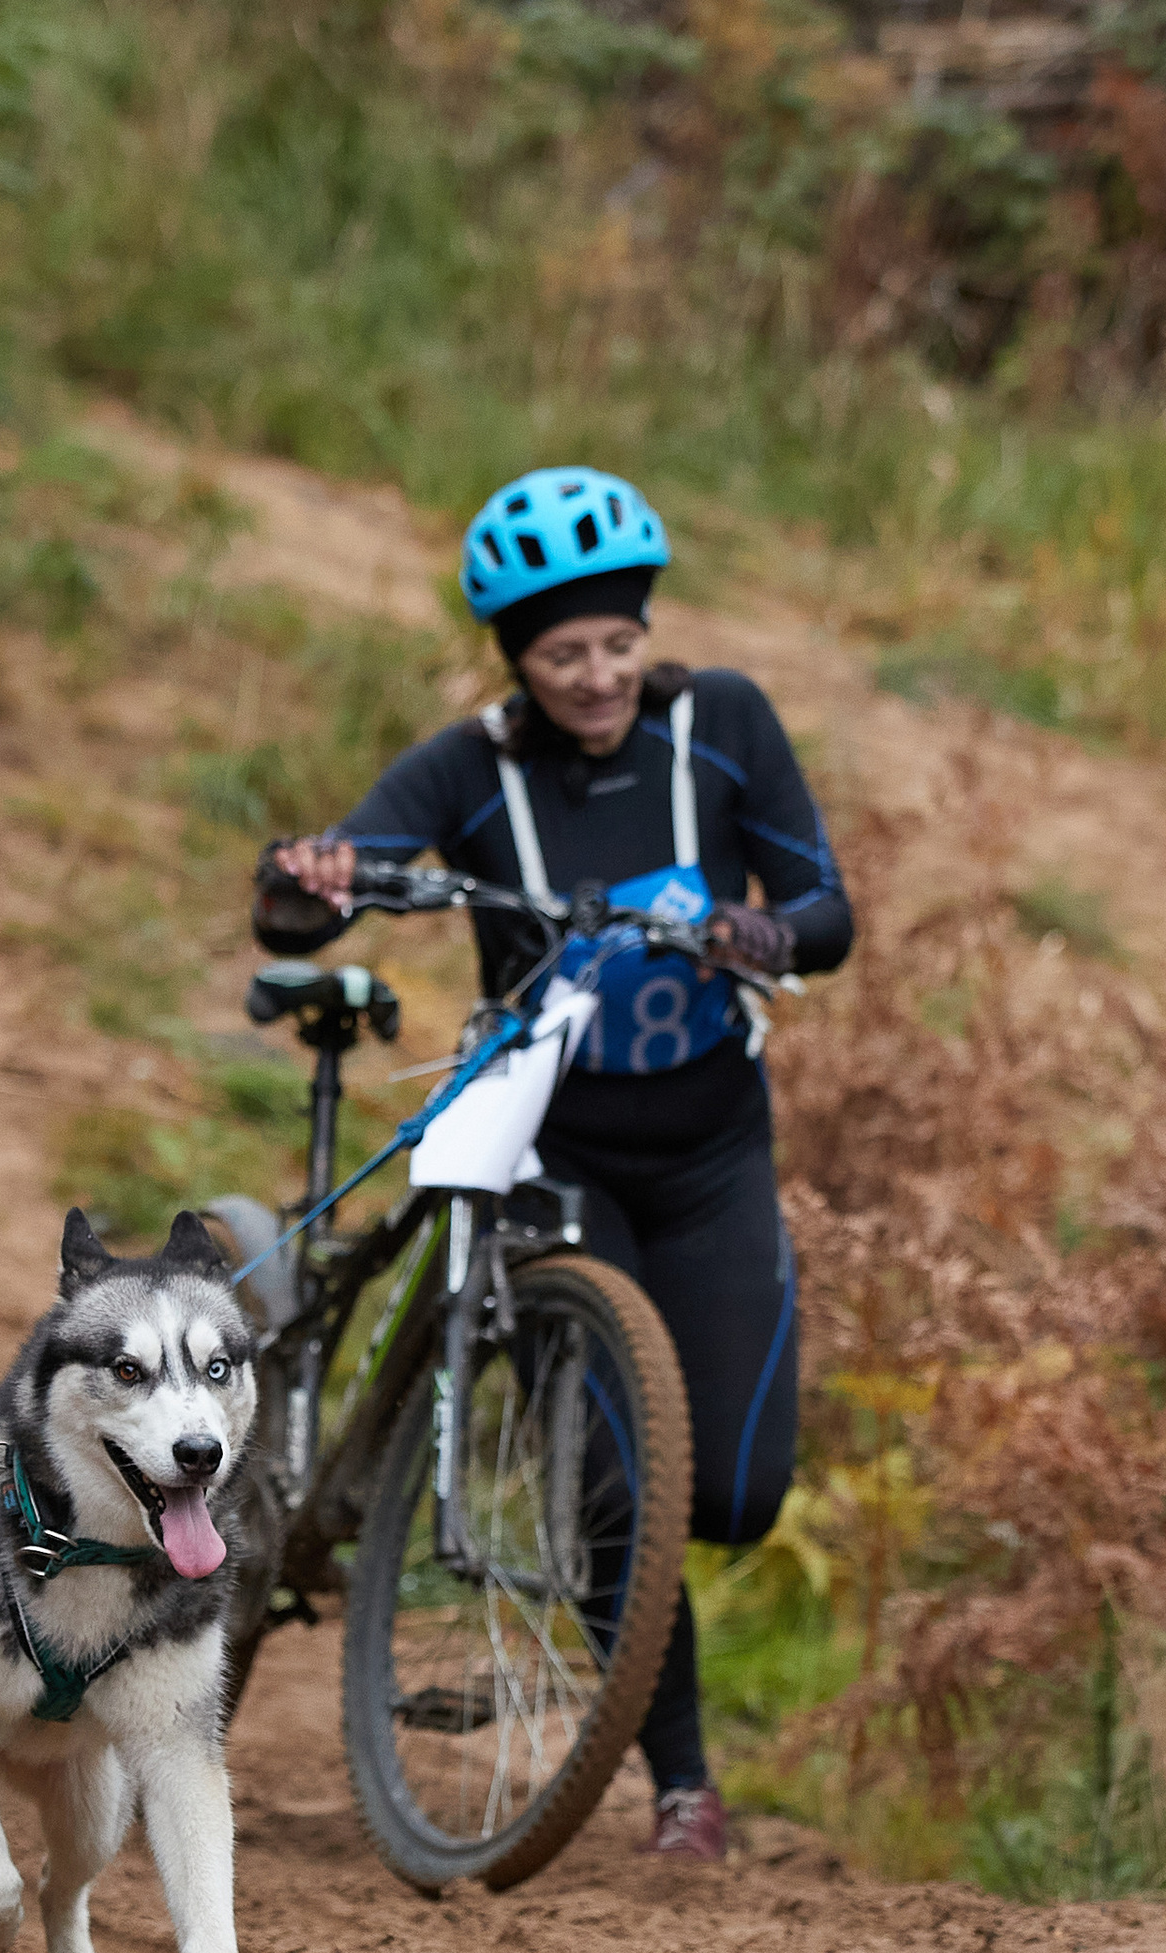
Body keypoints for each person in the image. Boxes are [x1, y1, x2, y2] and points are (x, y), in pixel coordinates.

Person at [250, 465, 853, 1860]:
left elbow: (828, 909)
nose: (598, 677)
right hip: (553, 1151)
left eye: (619, 643)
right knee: (611, 1488)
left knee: (736, 1495)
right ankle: (683, 1787)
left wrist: (769, 932)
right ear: (517, 658)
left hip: (710, 1150)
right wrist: (307, 880)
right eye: (565, 653)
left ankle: (659, 1708)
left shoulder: (724, 726)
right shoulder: (470, 769)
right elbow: (312, 896)